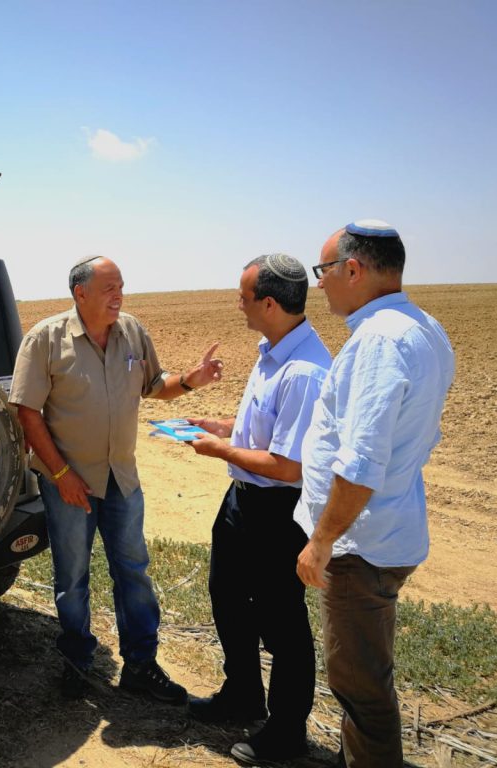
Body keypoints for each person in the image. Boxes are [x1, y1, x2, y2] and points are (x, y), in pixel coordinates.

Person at [9, 255, 223, 701]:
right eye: (109, 288)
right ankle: (77, 661)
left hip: (122, 479)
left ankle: (141, 666)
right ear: (80, 293)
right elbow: (26, 412)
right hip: (69, 482)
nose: (119, 296)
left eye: (121, 286)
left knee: (134, 572)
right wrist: (62, 474)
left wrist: (192, 380)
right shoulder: (46, 339)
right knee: (73, 576)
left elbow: (155, 385)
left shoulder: (132, 332)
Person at [295, 220, 455, 767]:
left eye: (324, 272)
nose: (320, 285)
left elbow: (360, 465)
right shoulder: (424, 327)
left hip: (360, 546)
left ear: (353, 270)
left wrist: (321, 541)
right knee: (365, 677)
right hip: (388, 529)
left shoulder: (379, 340)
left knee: (360, 689)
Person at [183, 254, 330, 764]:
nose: (238, 304)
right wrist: (225, 427)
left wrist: (219, 450)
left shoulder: (305, 372)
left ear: (269, 303)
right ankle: (241, 694)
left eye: (243, 297)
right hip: (243, 500)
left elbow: (288, 467)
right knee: (226, 594)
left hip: (278, 509)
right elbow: (266, 428)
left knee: (281, 620)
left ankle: (286, 731)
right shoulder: (272, 352)